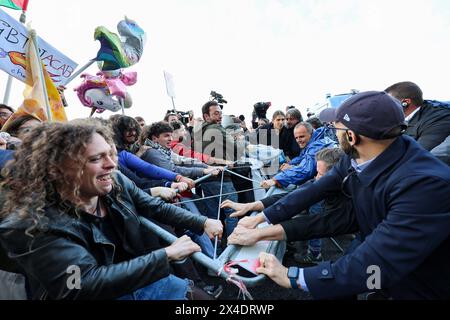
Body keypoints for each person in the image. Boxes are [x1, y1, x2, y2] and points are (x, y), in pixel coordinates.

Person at [232, 91, 450, 299]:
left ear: (351, 136)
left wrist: (293, 276)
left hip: (420, 282)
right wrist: (262, 221)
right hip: (383, 260)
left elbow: (379, 260)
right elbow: (316, 193)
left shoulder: (425, 185)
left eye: (335, 128)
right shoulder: (360, 156)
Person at [0, 120, 223, 300]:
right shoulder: (30, 225)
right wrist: (165, 256)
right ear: (59, 170)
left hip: (135, 279)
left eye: (110, 154)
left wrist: (201, 222)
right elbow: (79, 284)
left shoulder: (115, 181)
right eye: (96, 158)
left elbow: (152, 205)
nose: (111, 165)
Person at [260, 122, 336, 189]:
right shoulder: (314, 140)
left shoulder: (317, 145)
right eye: (296, 138)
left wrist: (276, 180)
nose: (298, 140)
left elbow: (306, 170)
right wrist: (290, 164)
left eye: (302, 136)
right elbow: (302, 157)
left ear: (311, 133)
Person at [385, 81, 450, 151]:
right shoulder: (396, 119)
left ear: (405, 102)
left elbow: (420, 155)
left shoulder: (438, 119)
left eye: (387, 103)